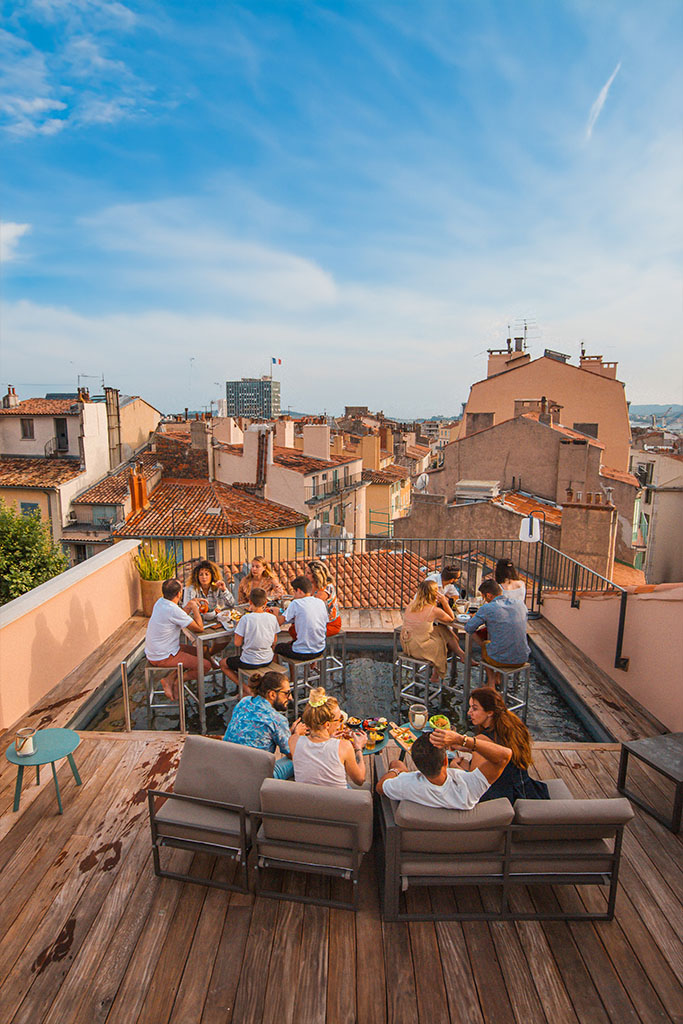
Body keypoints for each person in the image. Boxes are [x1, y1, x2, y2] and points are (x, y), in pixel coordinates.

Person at [376, 728, 511, 808]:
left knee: (396, 763)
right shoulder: (469, 787)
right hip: (462, 844)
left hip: (419, 843)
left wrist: (398, 771)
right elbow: (504, 756)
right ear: (446, 759)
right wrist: (461, 739)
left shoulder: (406, 784)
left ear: (417, 765)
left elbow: (380, 787)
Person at [465, 688, 549, 803]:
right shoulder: (512, 726)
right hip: (523, 789)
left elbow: (474, 784)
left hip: (504, 798)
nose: (469, 712)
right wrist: (462, 745)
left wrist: (456, 766)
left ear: (490, 712)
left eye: (474, 708)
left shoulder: (483, 739)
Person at [222, 670, 299, 780]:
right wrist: (296, 735)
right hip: (255, 777)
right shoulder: (277, 719)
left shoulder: (244, 702)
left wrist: (287, 732)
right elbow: (291, 753)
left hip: (227, 765)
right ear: (272, 694)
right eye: (286, 693)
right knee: (301, 757)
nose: (290, 697)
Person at [145, 578, 209, 700]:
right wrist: (195, 608)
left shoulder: (161, 602)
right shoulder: (172, 610)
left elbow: (177, 616)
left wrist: (190, 604)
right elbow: (199, 628)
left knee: (202, 652)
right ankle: (178, 680)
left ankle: (170, 678)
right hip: (163, 656)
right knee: (205, 666)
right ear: (179, 593)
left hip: (156, 652)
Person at [290, 687, 367, 788]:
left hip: (306, 800)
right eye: (339, 719)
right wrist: (358, 748)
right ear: (327, 725)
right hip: (336, 802)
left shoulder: (293, 741)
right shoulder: (344, 746)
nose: (341, 722)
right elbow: (360, 780)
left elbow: (316, 755)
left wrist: (329, 738)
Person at [464, 580, 529, 689]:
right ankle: (497, 678)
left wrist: (481, 643)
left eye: (484, 597)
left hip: (499, 659)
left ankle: (491, 683)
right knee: (501, 642)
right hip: (522, 657)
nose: (484, 600)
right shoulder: (520, 604)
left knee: (487, 645)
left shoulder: (488, 608)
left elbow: (469, 628)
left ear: (489, 595)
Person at [400, 580, 465, 683]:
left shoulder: (412, 604)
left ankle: (461, 655)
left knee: (443, 630)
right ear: (434, 594)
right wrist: (444, 601)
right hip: (418, 648)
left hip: (406, 644)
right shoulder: (433, 611)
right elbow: (451, 618)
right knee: (442, 642)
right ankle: (438, 671)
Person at [219, 587, 281, 685]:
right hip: (268, 659)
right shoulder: (272, 618)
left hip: (249, 661)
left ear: (250, 602)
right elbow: (274, 641)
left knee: (222, 663)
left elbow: (237, 643)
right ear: (265, 603)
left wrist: (238, 628)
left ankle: (244, 688)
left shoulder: (246, 618)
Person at [273, 576, 328, 665]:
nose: (294, 595)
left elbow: (279, 622)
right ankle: (313, 663)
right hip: (320, 648)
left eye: (294, 592)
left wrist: (275, 612)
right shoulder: (320, 602)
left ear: (299, 591)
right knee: (290, 643)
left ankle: (276, 675)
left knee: (277, 647)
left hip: (303, 653)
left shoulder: (296, 603)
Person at [306, 560, 342, 635]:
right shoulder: (312, 586)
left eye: (308, 573)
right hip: (317, 622)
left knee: (302, 630)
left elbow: (313, 605)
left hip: (330, 624)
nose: (305, 575)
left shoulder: (326, 588)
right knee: (295, 627)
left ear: (316, 575)